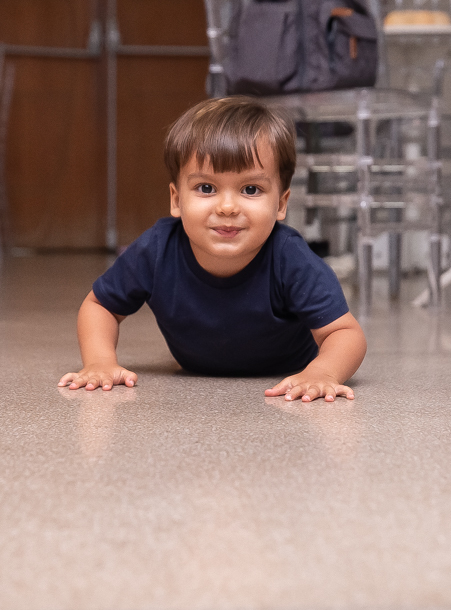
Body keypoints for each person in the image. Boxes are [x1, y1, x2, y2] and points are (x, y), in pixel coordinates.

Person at [58, 97, 367, 402]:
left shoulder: (291, 258)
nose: (227, 207)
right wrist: (99, 362)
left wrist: (323, 373)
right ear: (176, 200)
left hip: (285, 375)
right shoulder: (156, 250)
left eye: (250, 189)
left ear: (280, 204)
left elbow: (345, 333)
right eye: (206, 188)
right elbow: (100, 306)